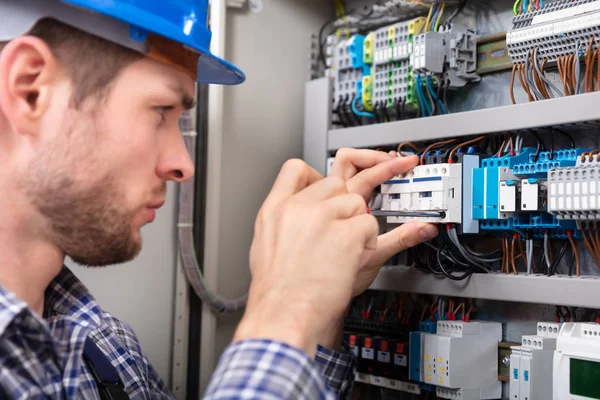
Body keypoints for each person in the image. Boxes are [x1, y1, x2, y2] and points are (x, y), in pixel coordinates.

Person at [0, 0, 438, 398]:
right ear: (30, 89)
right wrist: (285, 307)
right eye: (160, 112)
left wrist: (318, 312)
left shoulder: (97, 344)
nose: (183, 165)